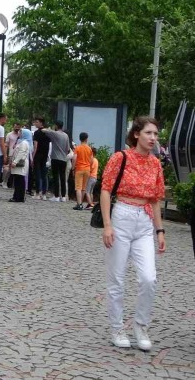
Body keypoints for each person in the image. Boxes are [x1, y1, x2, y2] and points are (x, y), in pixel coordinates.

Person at [101, 116, 166, 351]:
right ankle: (117, 328)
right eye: (149, 133)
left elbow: (156, 199)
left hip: (145, 220)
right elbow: (106, 191)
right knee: (116, 278)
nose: (153, 138)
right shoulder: (121, 158)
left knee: (149, 278)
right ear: (136, 134)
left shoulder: (155, 164)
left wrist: (160, 230)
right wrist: (108, 225)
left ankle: (141, 325)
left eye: (156, 134)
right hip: (122, 215)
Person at [43, 121, 71, 202]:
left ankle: (56, 196)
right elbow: (68, 149)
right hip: (63, 159)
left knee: (56, 177)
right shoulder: (66, 135)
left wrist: (49, 129)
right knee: (63, 178)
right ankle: (63, 196)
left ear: (56, 125)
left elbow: (44, 130)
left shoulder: (54, 133)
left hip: (55, 158)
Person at [72, 132, 93, 210]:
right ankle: (80, 203)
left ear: (80, 139)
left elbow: (74, 158)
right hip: (87, 169)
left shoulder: (78, 148)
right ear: (86, 139)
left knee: (78, 187)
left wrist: (73, 168)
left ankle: (79, 204)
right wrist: (89, 167)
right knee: (83, 188)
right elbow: (91, 160)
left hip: (79, 169)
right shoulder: (89, 148)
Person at [9, 130, 30, 203]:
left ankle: (18, 197)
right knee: (19, 180)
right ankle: (18, 196)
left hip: (20, 164)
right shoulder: (21, 142)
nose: (19, 133)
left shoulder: (24, 143)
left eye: (21, 132)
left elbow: (21, 153)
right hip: (19, 163)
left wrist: (15, 162)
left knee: (19, 180)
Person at [32, 117, 51, 200]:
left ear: (41, 123)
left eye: (37, 122)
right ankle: (44, 194)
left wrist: (33, 157)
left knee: (37, 174)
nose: (35, 123)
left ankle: (37, 193)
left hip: (38, 155)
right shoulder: (48, 132)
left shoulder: (36, 133)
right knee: (44, 175)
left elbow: (35, 146)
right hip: (45, 155)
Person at [3, 123, 22, 189]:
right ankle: (5, 182)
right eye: (16, 126)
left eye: (18, 127)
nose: (17, 128)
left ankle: (14, 184)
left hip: (19, 154)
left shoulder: (21, 135)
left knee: (17, 169)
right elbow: (6, 145)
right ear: (13, 127)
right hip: (11, 153)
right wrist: (5, 154)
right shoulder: (9, 134)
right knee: (10, 169)